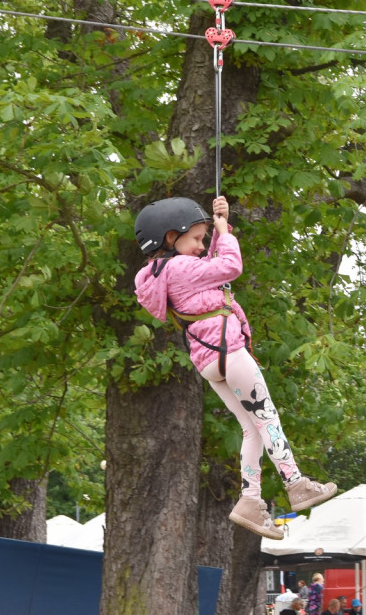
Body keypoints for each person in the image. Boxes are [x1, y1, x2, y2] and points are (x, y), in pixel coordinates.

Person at [134, 196, 337, 539]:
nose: (201, 246)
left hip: (210, 359)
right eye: (196, 239)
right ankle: (296, 483)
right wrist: (223, 233)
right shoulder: (180, 267)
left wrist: (218, 228)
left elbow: (211, 265)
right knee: (267, 417)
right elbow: (229, 266)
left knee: (251, 428)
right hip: (229, 349)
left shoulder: (166, 273)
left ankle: (249, 500)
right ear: (171, 238)